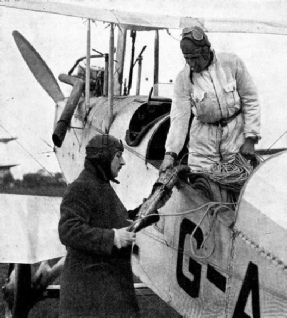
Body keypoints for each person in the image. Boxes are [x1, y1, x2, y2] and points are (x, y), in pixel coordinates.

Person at [58, 134, 159, 318]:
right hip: (90, 298)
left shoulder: (100, 186)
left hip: (107, 293)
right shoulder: (81, 187)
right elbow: (68, 230)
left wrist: (152, 208)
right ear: (103, 157)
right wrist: (113, 238)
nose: (123, 162)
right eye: (118, 156)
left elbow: (118, 223)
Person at [160, 26, 260, 173]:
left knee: (238, 179)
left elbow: (250, 99)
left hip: (235, 135)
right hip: (203, 140)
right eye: (187, 59)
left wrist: (251, 138)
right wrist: (170, 154)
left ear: (206, 52)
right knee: (201, 183)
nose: (191, 64)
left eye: (194, 58)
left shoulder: (232, 63)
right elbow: (179, 119)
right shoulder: (183, 79)